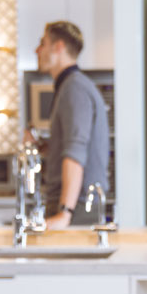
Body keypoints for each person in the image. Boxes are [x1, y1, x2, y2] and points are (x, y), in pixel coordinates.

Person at [34, 21, 110, 228]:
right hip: (77, 205)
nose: (37, 50)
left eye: (43, 43)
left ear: (58, 47)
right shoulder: (72, 86)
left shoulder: (74, 89)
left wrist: (65, 213)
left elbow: (75, 154)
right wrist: (44, 146)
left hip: (76, 209)